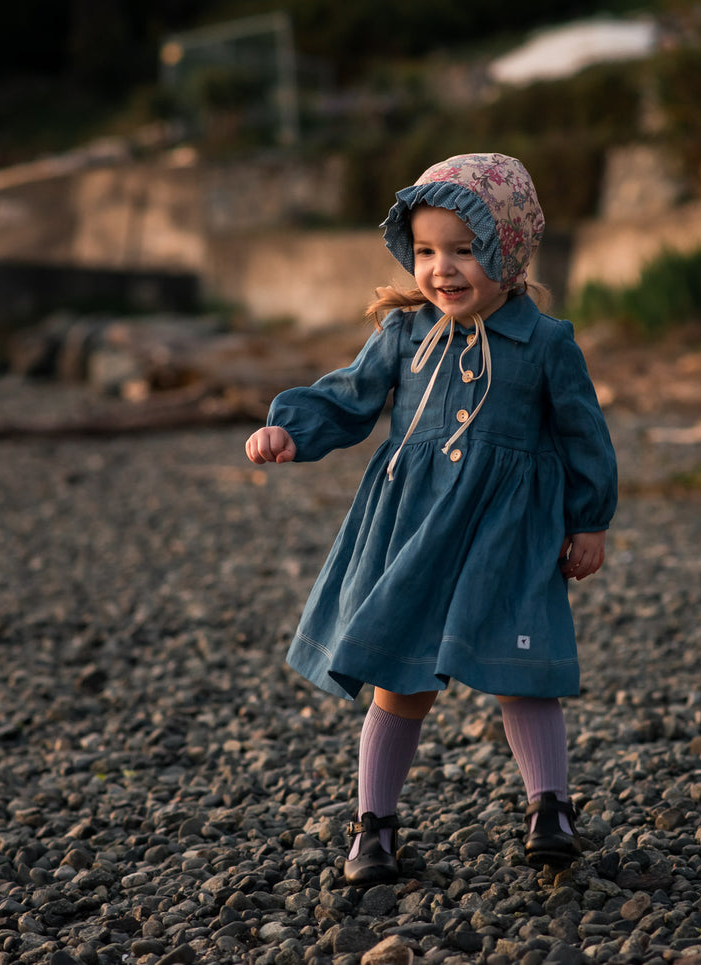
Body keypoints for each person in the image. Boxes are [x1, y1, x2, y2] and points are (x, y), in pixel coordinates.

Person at [245, 153, 617, 885]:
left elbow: (583, 434)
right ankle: (373, 826)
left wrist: (589, 518)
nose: (441, 268)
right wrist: (292, 428)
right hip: (412, 527)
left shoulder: (546, 342)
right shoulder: (404, 332)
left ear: (508, 252)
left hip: (511, 531)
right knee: (399, 678)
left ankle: (550, 809)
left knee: (525, 668)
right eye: (424, 251)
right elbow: (348, 397)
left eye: (463, 249)